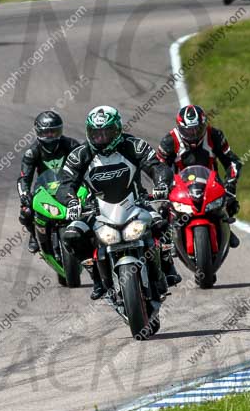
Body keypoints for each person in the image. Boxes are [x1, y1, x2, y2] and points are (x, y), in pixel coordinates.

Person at [57, 106, 178, 301]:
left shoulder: (134, 146)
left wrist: (161, 183)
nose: (101, 138)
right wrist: (71, 201)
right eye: (96, 133)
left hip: (136, 204)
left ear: (118, 130)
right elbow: (65, 183)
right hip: (96, 210)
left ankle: (167, 264)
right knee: (71, 236)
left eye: (107, 132)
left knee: (160, 223)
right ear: (89, 132)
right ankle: (96, 278)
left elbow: (157, 167)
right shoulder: (80, 155)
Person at [157, 105, 243, 248]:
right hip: (180, 185)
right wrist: (163, 185)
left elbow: (232, 161)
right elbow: (159, 167)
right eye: (188, 130)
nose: (193, 133)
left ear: (204, 125)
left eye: (197, 129)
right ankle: (168, 241)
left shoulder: (215, 135)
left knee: (231, 203)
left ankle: (224, 226)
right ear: (180, 128)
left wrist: (230, 185)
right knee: (163, 211)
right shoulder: (169, 141)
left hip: (211, 182)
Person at [18, 111, 80, 254]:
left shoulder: (71, 144)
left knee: (91, 205)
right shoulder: (32, 152)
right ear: (39, 132)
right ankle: (34, 235)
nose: (51, 136)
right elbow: (24, 177)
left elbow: (86, 164)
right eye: (47, 132)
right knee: (26, 212)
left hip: (70, 185)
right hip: (44, 188)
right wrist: (25, 194)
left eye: (54, 131)